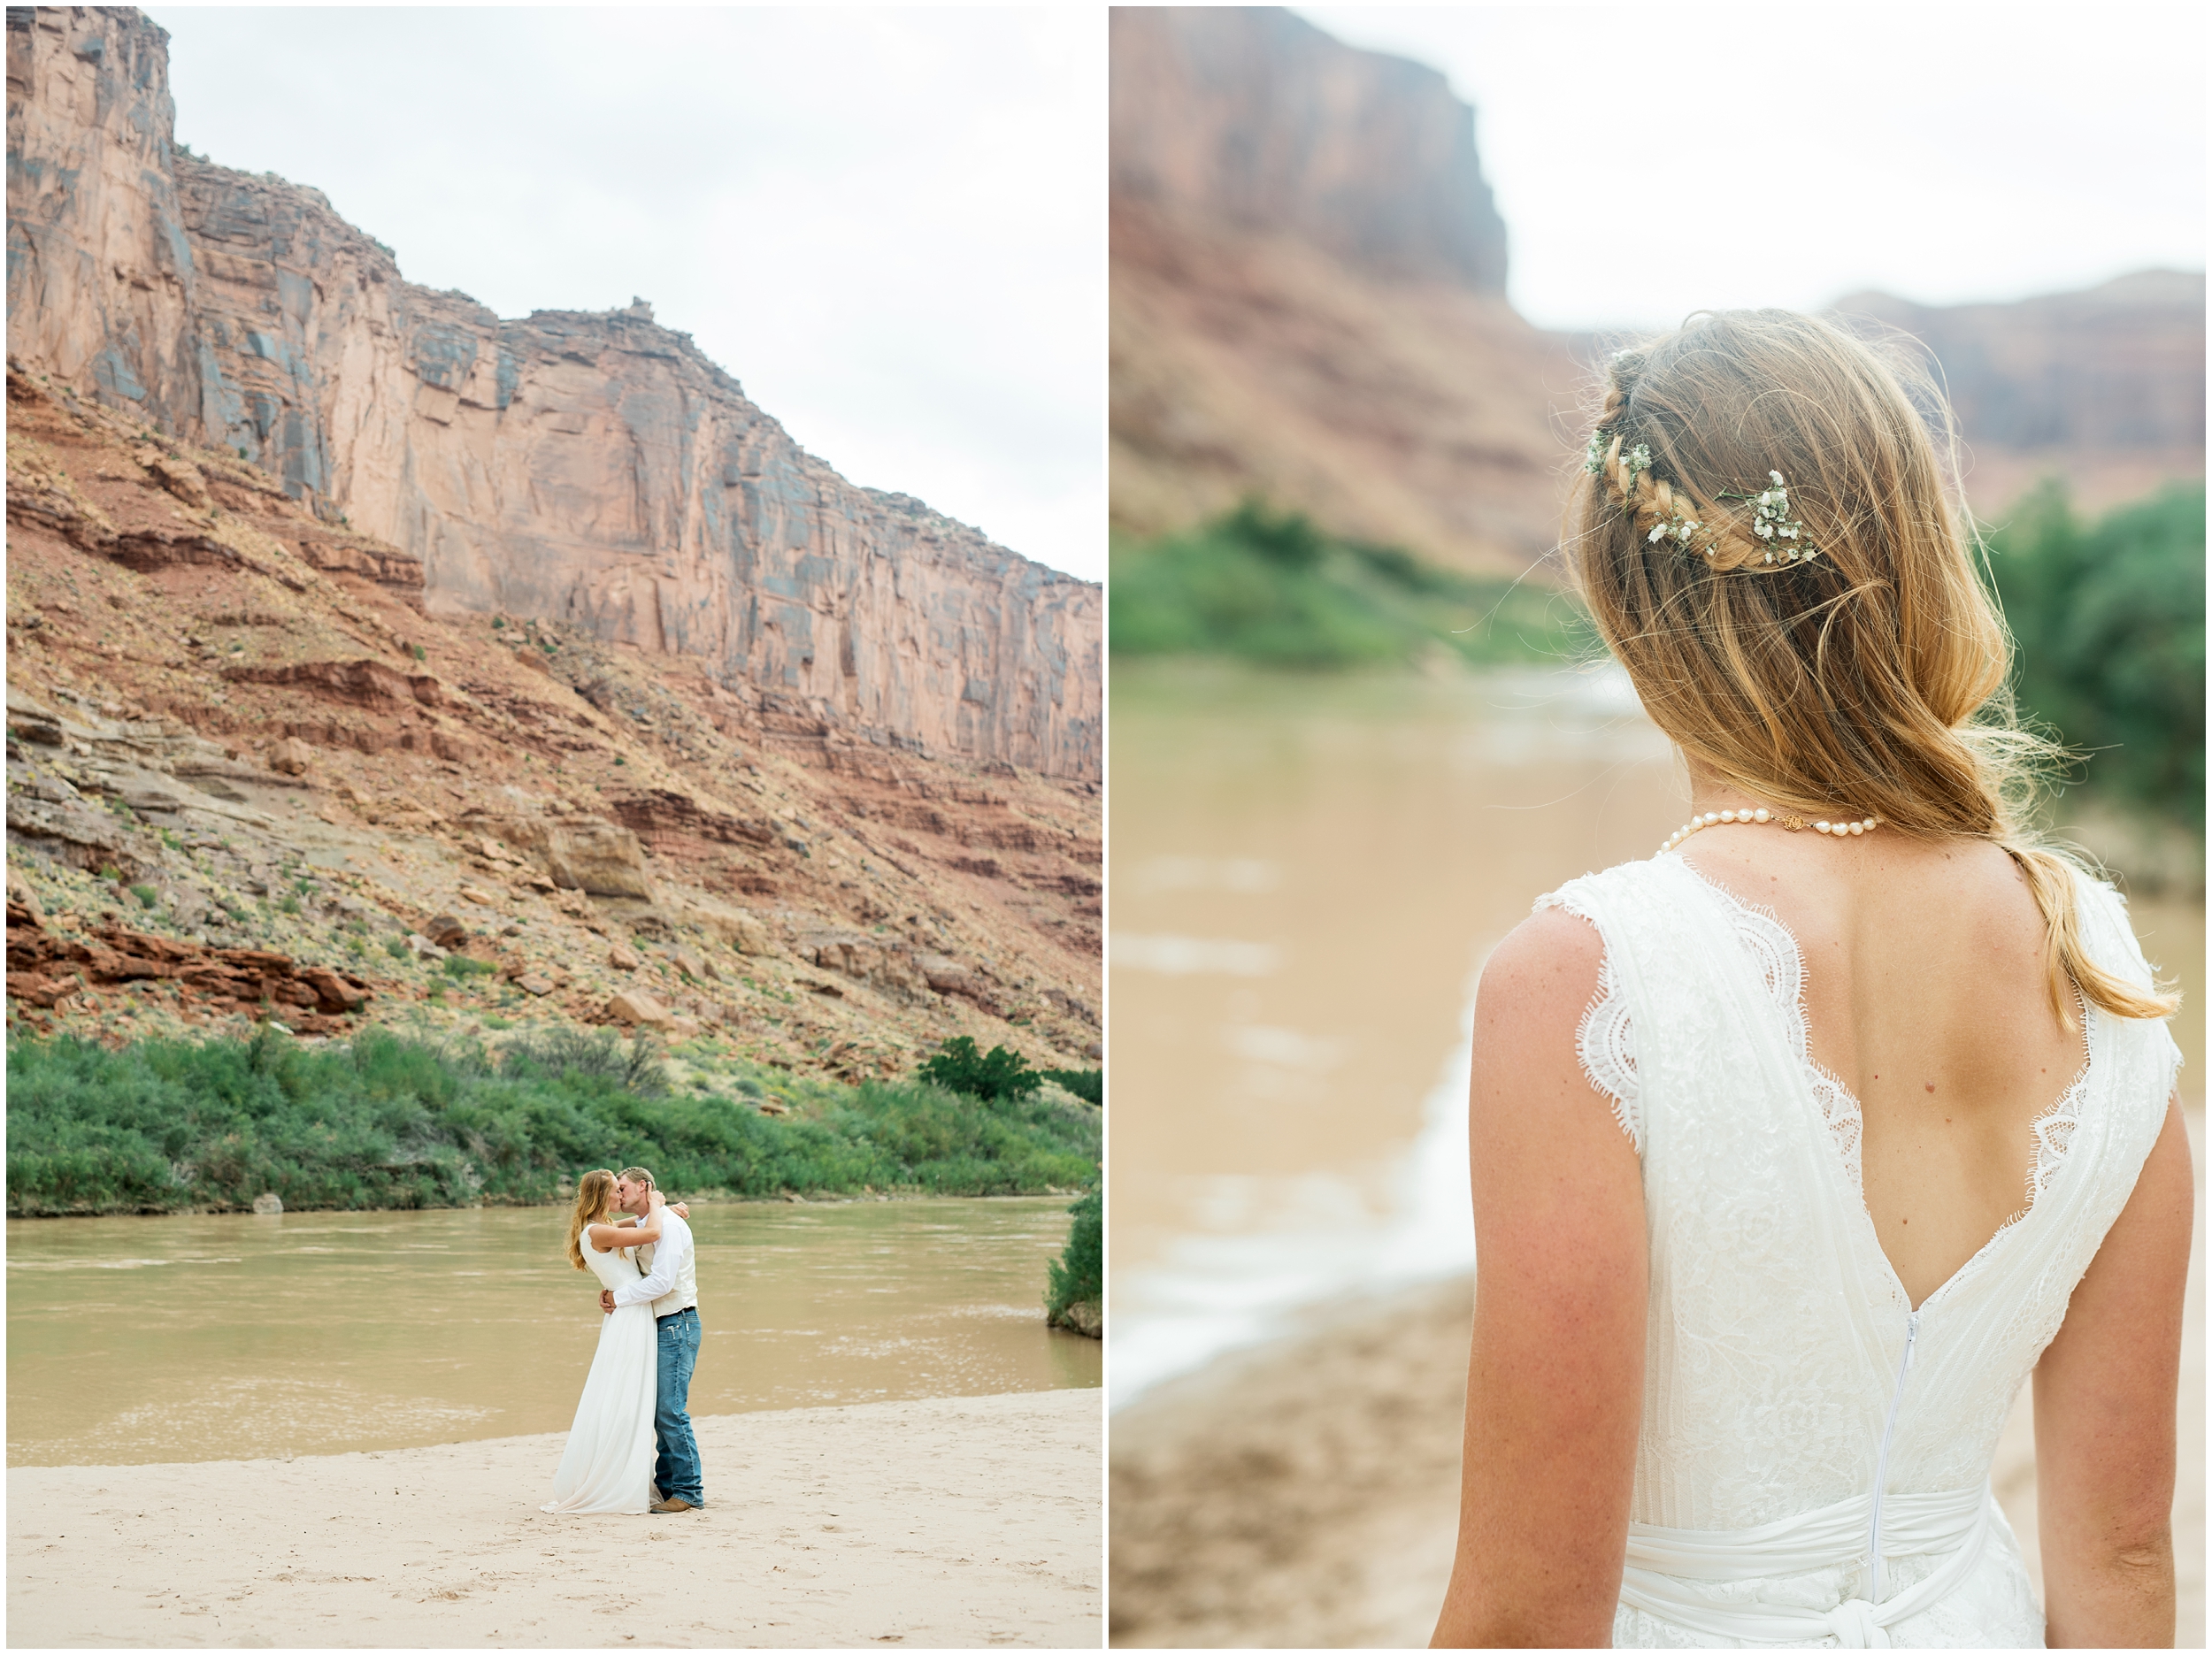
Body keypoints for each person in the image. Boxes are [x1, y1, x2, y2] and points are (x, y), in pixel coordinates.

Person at [1429, 310, 2191, 1647]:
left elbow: (1528, 1617)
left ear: (1630, 606)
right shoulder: (2103, 958)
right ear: (1917, 558)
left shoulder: (1588, 977)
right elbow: (2122, 1559)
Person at [541, 1168, 665, 1514]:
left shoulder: (601, 1227)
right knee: (626, 1396)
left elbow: (640, 1225)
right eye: (616, 1190)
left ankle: (626, 1474)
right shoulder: (598, 1231)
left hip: (628, 1312)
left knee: (627, 1394)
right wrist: (655, 1201)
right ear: (603, 1195)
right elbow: (653, 1230)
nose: (621, 1196)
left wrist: (670, 1210)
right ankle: (617, 1479)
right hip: (629, 1316)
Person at [599, 1165, 705, 1514]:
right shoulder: (651, 1223)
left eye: (624, 1187)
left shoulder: (669, 1227)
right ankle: (666, 1487)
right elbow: (610, 1239)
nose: (619, 1193)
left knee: (670, 1411)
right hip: (660, 1324)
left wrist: (619, 1299)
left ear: (643, 1187)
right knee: (657, 1410)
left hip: (678, 1322)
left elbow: (662, 1283)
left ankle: (688, 1491)